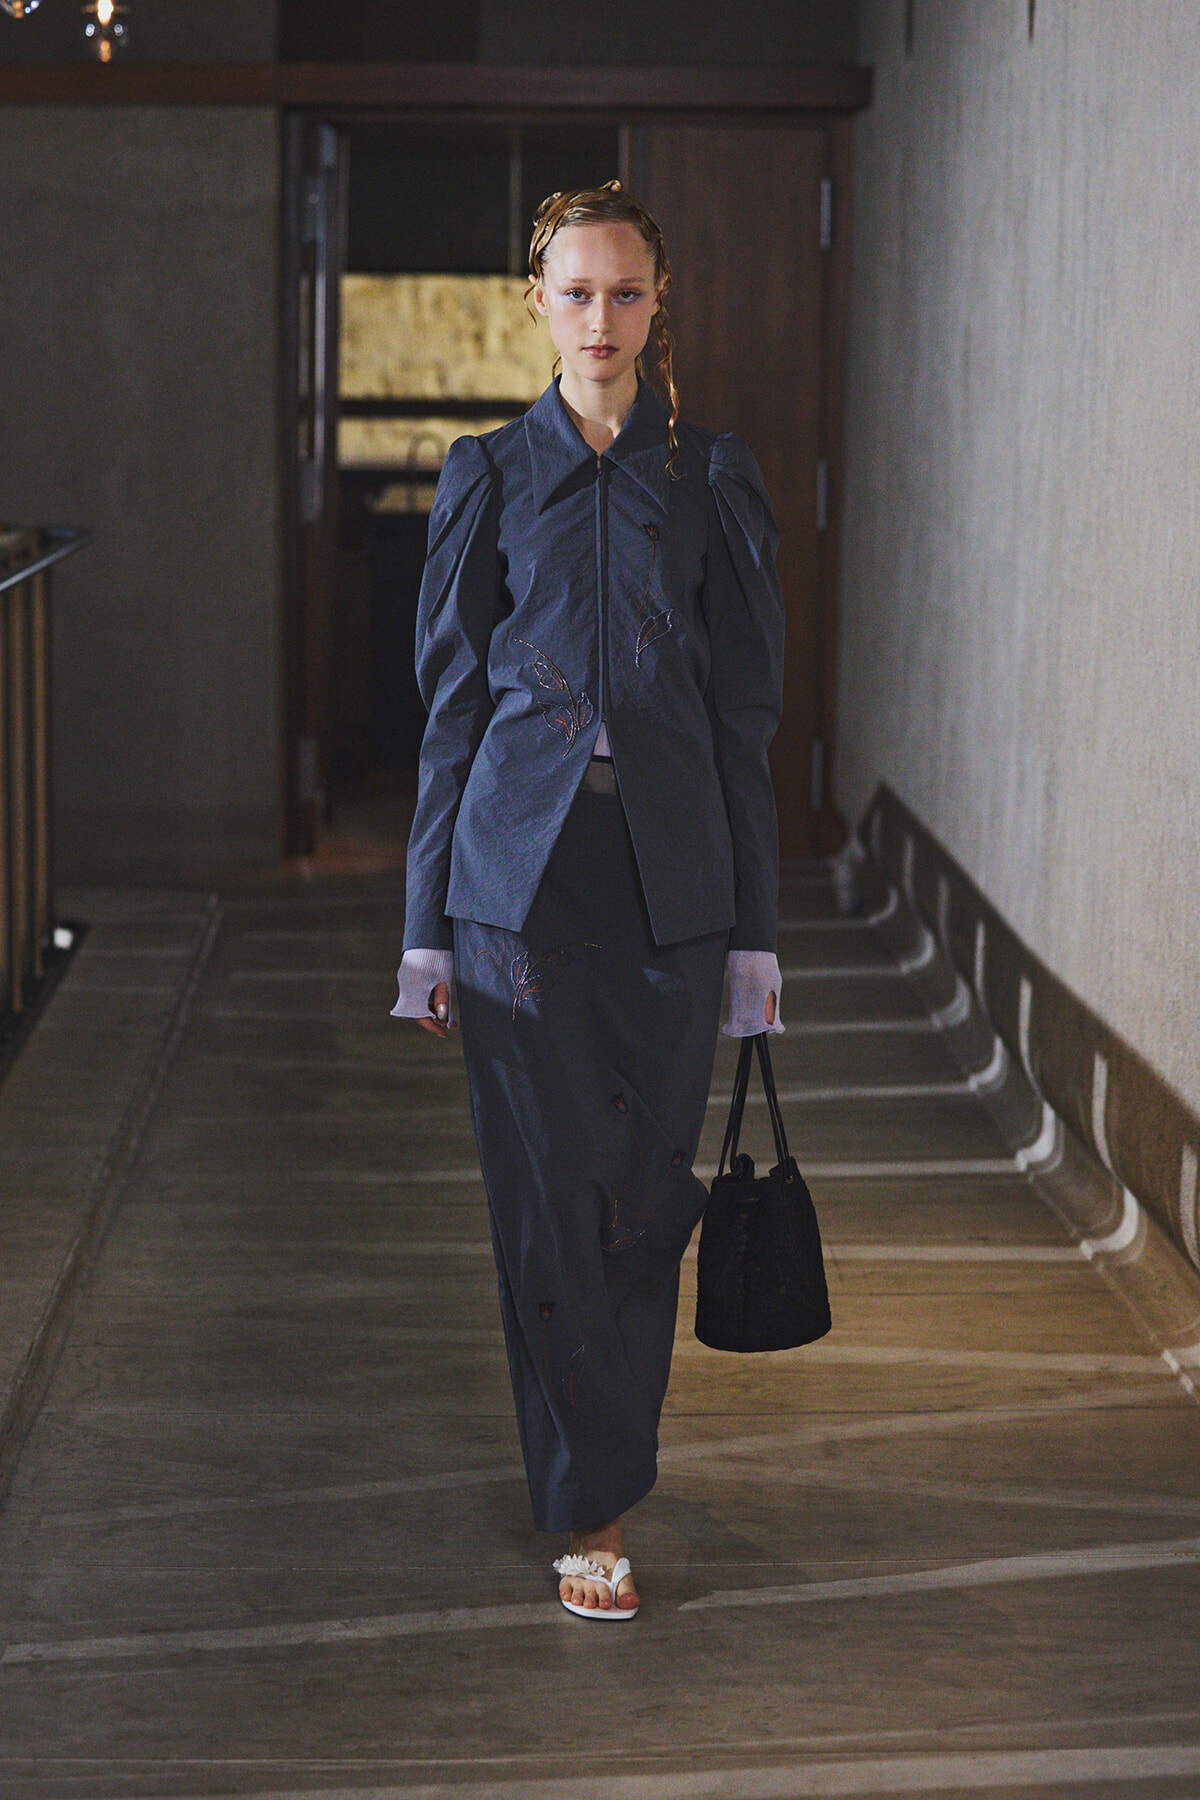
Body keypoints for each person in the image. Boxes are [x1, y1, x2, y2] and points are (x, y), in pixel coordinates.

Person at [392, 181, 784, 1620]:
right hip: (515, 889)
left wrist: (757, 939)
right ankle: (593, 1508)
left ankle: (601, 1456)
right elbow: (447, 711)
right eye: (576, 292)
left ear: (658, 301)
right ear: (536, 304)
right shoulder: (486, 475)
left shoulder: (712, 478)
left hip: (673, 891)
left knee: (637, 1198)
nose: (601, 319)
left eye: (625, 293)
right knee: (547, 1203)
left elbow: (745, 721)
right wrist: (424, 929)